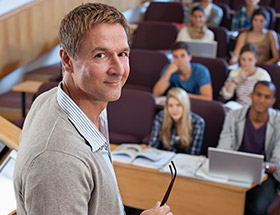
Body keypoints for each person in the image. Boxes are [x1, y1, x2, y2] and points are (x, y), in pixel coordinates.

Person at [13, 3, 172, 215]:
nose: (118, 69)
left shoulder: (58, 99)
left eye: (123, 54)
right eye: (100, 55)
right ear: (67, 60)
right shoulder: (59, 162)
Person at [218, 81, 280, 215]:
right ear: (251, 95)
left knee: (257, 207)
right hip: (234, 170)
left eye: (267, 97)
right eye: (258, 95)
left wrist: (264, 166)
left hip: (265, 176)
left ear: (273, 101)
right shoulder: (234, 116)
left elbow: (277, 163)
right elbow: (223, 149)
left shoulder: (278, 122)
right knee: (221, 201)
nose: (262, 100)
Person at [149, 88, 205, 155]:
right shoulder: (161, 117)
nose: (174, 110)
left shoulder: (198, 123)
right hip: (163, 160)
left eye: (178, 105)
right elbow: (153, 146)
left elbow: (193, 154)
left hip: (184, 162)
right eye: (170, 105)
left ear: (185, 106)